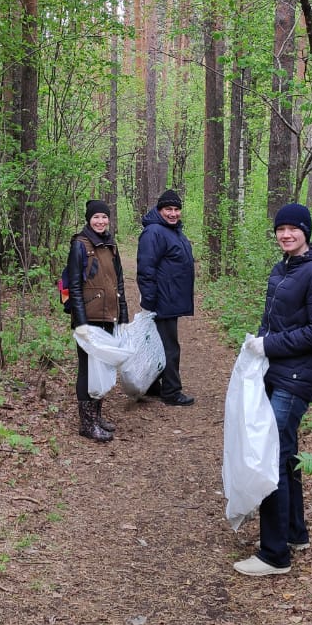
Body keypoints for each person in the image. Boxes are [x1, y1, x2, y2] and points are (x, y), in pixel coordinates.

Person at [233, 203, 312, 577]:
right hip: (277, 371)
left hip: (299, 376)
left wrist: (270, 345)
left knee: (270, 455)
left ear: (306, 232)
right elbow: (273, 320)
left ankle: (274, 554)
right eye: (281, 229)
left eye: (293, 229)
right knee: (285, 450)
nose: (286, 234)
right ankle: (295, 533)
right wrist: (259, 343)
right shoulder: (282, 269)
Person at [70, 199, 129, 442]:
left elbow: (119, 283)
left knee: (102, 367)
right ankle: (87, 423)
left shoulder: (110, 244)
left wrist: (123, 317)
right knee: (87, 370)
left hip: (108, 316)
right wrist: (81, 322)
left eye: (104, 217)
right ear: (89, 219)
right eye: (96, 217)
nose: (100, 221)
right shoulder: (80, 245)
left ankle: (96, 416)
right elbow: (74, 286)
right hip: (89, 318)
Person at [136, 188, 196, 406]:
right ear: (160, 210)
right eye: (168, 209)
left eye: (176, 209)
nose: (173, 213)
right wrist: (149, 301)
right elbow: (146, 268)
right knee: (169, 347)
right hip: (162, 300)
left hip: (170, 298)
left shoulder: (173, 230)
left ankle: (152, 385)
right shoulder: (154, 232)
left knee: (158, 344)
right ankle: (171, 392)